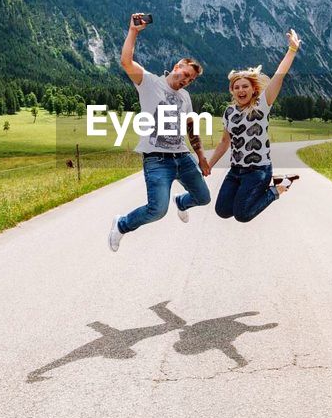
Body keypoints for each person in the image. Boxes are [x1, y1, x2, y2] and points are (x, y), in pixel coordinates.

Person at [109, 13, 212, 252]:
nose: (187, 80)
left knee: (203, 198)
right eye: (186, 74)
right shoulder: (150, 82)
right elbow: (126, 61)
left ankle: (182, 203)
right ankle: (122, 225)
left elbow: (190, 127)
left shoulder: (185, 96)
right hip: (157, 159)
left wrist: (201, 157)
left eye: (192, 79)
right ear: (177, 66)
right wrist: (134, 32)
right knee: (157, 210)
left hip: (183, 157)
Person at [207, 29, 302, 223]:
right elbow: (225, 142)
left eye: (245, 86)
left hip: (258, 170)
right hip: (236, 170)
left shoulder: (262, 104)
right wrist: (208, 165)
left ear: (253, 89)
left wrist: (292, 49)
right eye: (236, 87)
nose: (241, 90)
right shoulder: (229, 113)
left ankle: (277, 188)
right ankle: (273, 184)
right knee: (222, 211)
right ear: (231, 91)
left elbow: (279, 75)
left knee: (242, 215)